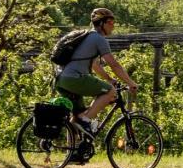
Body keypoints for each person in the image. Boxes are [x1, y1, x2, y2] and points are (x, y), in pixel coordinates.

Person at [55, 7, 138, 135]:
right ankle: (86, 120)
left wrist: (109, 79)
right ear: (101, 23)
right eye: (110, 22)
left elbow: (94, 64)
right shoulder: (99, 39)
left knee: (77, 116)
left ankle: (72, 151)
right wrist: (130, 82)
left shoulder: (87, 37)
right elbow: (114, 64)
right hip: (75, 78)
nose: (113, 26)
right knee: (110, 91)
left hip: (61, 79)